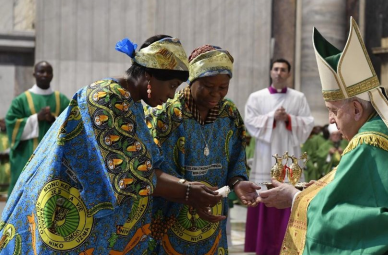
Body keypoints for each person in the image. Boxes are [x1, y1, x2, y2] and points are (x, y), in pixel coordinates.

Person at [0, 36, 222, 254]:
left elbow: (154, 162)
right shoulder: (104, 97)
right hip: (65, 216)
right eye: (172, 85)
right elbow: (131, 175)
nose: (171, 94)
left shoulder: (131, 102)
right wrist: (187, 192)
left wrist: (190, 190)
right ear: (148, 76)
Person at [258, 17, 388, 255]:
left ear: (356, 109)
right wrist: (317, 191)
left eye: (333, 110)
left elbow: (345, 221)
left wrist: (294, 198)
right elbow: (374, 196)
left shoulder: (369, 142)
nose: (330, 120)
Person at [145, 45, 260, 254]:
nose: (216, 93)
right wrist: (186, 190)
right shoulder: (167, 114)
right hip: (170, 216)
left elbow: (237, 157)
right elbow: (151, 168)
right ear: (192, 79)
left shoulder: (229, 114)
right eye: (208, 86)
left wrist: (238, 182)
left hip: (212, 219)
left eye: (223, 87)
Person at [244, 58, 314, 254]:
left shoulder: (298, 98)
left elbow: (308, 122)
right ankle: (262, 245)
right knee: (263, 190)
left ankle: (291, 243)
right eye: (276, 69)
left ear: (288, 74)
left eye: (283, 70)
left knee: (291, 189)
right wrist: (272, 118)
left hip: (290, 155)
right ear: (271, 72)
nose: (279, 72)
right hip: (266, 155)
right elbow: (250, 122)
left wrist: (289, 119)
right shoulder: (257, 97)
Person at [5, 61, 70, 194]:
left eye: (48, 72)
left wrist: (54, 120)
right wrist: (36, 119)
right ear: (34, 74)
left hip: (54, 156)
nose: (45, 75)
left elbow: (73, 123)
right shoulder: (22, 100)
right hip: (27, 155)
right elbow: (11, 124)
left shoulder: (61, 100)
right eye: (41, 71)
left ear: (52, 75)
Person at [0, 118, 10, 193]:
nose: (3, 124)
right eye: (1, 122)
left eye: (4, 122)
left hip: (10, 161)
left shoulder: (12, 135)